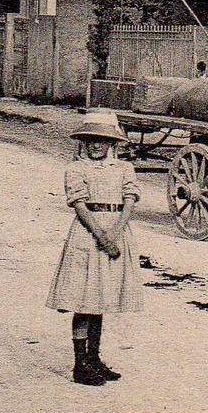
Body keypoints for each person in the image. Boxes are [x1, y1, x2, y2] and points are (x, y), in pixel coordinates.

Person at [46, 110, 142, 386]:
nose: (95, 146)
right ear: (83, 143)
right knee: (84, 300)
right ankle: (80, 365)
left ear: (112, 143)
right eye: (90, 141)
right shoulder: (76, 169)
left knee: (101, 299)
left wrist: (116, 232)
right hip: (87, 237)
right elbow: (79, 205)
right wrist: (101, 236)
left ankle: (94, 358)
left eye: (101, 141)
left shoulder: (124, 168)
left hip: (116, 232)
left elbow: (130, 200)